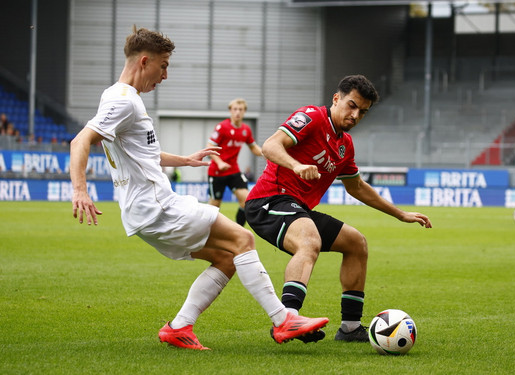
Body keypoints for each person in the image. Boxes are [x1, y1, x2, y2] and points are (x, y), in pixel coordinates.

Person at [70, 26, 328, 351]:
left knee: (226, 257)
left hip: (142, 214)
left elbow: (141, 153)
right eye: (163, 65)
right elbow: (80, 141)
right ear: (144, 61)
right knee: (243, 239)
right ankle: (283, 320)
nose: (164, 75)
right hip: (158, 207)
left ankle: (179, 327)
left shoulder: (115, 96)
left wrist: (186, 160)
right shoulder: (125, 102)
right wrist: (79, 189)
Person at [245, 74, 432, 343]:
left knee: (356, 243)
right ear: (336, 99)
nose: (355, 115)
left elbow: (356, 187)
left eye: (363, 112)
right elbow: (270, 145)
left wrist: (401, 214)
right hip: (269, 200)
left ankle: (350, 327)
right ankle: (287, 319)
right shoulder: (311, 116)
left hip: (298, 208)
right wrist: (296, 166)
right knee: (310, 240)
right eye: (352, 106)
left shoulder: (345, 146)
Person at [207, 98, 262, 226]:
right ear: (230, 111)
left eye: (240, 109)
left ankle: (238, 230)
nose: (237, 112)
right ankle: (204, 232)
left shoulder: (246, 130)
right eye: (235, 109)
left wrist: (267, 153)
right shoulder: (222, 127)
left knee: (247, 201)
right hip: (217, 172)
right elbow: (209, 147)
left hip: (233, 171)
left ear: (244, 112)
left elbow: (253, 147)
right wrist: (220, 162)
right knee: (214, 207)